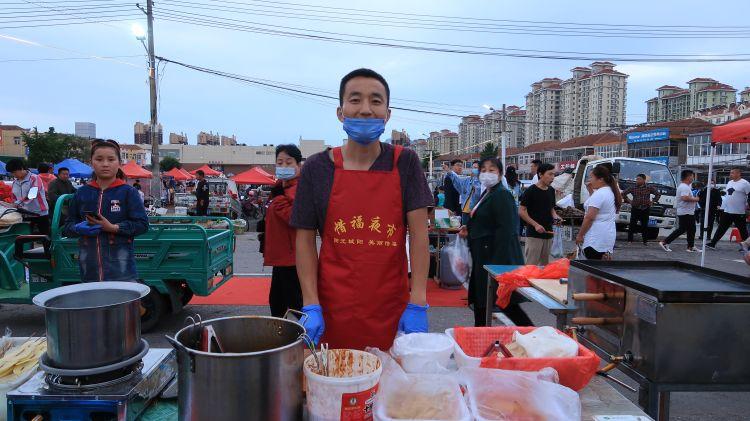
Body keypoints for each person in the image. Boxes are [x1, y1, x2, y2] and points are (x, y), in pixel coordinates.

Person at [291, 68, 433, 349]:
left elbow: (419, 235)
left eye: (376, 101)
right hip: (332, 308)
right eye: (355, 100)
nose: (366, 110)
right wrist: (310, 304)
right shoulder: (317, 168)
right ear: (340, 112)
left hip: (392, 308)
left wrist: (417, 300)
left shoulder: (405, 163)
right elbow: (304, 238)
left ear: (387, 113)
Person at [63, 139, 148, 282]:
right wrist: (77, 228)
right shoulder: (82, 193)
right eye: (99, 159)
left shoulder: (128, 192)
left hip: (121, 269)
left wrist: (113, 228)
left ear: (119, 163)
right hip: (89, 268)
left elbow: (142, 225)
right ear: (91, 162)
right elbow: (67, 227)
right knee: (94, 303)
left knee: (122, 303)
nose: (105, 164)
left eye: (111, 159)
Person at [459, 158, 530, 327]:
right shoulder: (489, 193)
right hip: (484, 255)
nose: (486, 174)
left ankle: (535, 335)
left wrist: (496, 266)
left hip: (494, 258)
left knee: (504, 302)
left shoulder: (502, 195)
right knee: (485, 301)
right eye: (483, 170)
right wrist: (469, 228)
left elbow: (507, 230)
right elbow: (486, 221)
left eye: (492, 170)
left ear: (500, 173)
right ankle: (480, 337)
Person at [264, 144, 304, 318]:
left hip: (292, 257)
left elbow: (297, 218)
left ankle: (314, 338)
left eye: (289, 162)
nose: (284, 166)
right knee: (277, 302)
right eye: (280, 162)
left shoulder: (300, 188)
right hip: (281, 256)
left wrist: (278, 201)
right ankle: (280, 336)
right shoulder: (282, 186)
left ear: (299, 165)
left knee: (297, 304)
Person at [576, 165, 622, 259]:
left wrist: (580, 235)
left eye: (591, 177)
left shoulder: (600, 194)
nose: (590, 180)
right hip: (606, 234)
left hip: (595, 237)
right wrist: (590, 190)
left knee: (593, 269)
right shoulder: (609, 191)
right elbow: (599, 205)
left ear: (600, 179)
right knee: (600, 267)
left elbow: (590, 218)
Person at [519, 163, 560, 265]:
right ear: (541, 175)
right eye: (550, 174)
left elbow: (551, 208)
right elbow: (521, 211)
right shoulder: (530, 191)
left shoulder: (551, 190)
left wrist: (556, 217)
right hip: (534, 235)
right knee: (531, 266)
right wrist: (535, 225)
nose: (552, 178)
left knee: (544, 266)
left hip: (548, 233)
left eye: (553, 175)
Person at [4, 158, 49, 235]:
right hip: (25, 214)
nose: (13, 175)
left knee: (45, 237)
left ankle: (48, 247)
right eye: (12, 173)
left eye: (14, 172)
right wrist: (11, 204)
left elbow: (32, 195)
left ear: (21, 168)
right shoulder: (15, 182)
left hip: (40, 213)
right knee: (25, 237)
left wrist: (17, 203)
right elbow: (14, 197)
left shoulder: (34, 178)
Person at [707, 167, 749, 249]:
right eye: (730, 173)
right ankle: (713, 243)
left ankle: (747, 246)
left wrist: (748, 208)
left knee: (743, 230)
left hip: (739, 212)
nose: (730, 175)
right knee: (721, 228)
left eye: (732, 173)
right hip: (727, 210)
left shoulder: (745, 183)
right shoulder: (729, 182)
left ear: (738, 173)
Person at [660, 170, 701, 252]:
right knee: (683, 229)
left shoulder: (686, 186)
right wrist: (696, 199)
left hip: (687, 211)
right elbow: (684, 198)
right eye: (692, 176)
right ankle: (665, 242)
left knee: (691, 229)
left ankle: (690, 246)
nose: (693, 178)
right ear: (688, 177)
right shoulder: (684, 187)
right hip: (685, 212)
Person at [621, 173, 661, 245]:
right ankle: (630, 241)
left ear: (644, 180)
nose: (637, 181)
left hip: (645, 209)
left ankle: (645, 241)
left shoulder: (649, 188)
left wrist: (653, 201)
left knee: (644, 226)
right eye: (637, 179)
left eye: (639, 179)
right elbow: (623, 193)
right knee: (632, 225)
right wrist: (629, 201)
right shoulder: (633, 188)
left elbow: (658, 194)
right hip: (635, 208)